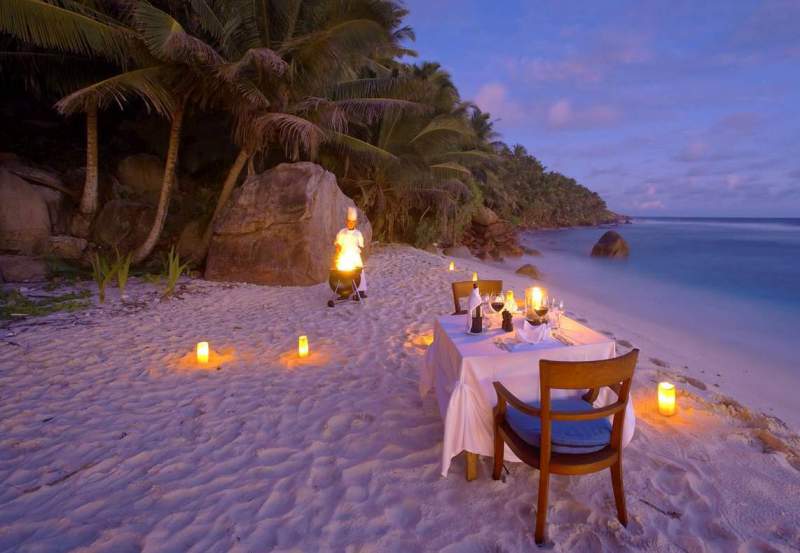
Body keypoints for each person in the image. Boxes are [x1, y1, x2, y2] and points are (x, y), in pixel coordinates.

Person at [334, 206, 367, 298]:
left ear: (355, 223)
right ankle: (345, 293)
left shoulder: (358, 233)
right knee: (345, 275)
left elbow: (361, 245)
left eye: (352, 222)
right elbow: (337, 243)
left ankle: (360, 293)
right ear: (346, 222)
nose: (350, 224)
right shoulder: (341, 232)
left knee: (359, 274)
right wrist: (338, 248)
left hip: (355, 257)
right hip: (344, 256)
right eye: (349, 222)